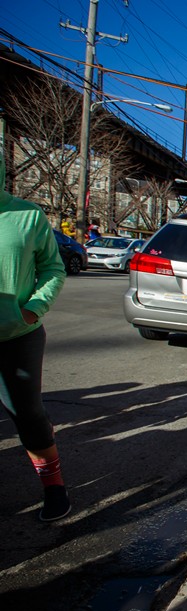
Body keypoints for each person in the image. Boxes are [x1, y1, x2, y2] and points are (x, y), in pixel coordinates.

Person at [0, 152, 72, 521]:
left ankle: (54, 487)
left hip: (17, 335)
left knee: (28, 416)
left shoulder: (27, 216)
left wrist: (32, 308)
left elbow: (52, 268)